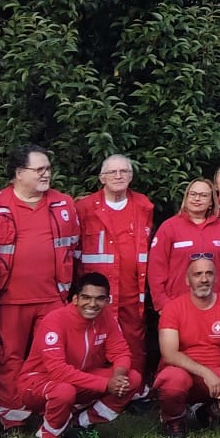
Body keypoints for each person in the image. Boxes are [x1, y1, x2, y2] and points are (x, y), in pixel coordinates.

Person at [0, 145, 79, 437]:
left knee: (53, 359)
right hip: (7, 299)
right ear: (18, 173)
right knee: (9, 360)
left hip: (53, 297)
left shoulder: (63, 203)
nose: (46, 174)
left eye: (48, 168)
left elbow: (73, 247)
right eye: (39, 169)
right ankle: (12, 419)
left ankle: (50, 413)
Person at [20, 272, 141, 438]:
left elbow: (121, 352)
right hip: (38, 382)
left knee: (132, 379)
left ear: (107, 301)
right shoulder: (55, 320)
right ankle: (49, 437)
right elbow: (58, 370)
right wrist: (105, 384)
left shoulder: (106, 317)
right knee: (64, 391)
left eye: (99, 299)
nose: (92, 304)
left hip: (79, 379)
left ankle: (82, 424)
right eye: (86, 297)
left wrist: (118, 376)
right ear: (75, 299)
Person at [154, 254, 220, 438]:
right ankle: (173, 420)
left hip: (217, 376)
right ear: (187, 280)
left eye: (209, 274)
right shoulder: (173, 307)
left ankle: (209, 412)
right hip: (184, 373)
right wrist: (205, 373)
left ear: (216, 278)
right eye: (197, 274)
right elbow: (169, 354)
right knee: (172, 380)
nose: (204, 279)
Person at [75, 155, 155, 375]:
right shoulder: (84, 208)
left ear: (131, 176)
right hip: (96, 290)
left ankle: (134, 384)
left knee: (133, 338)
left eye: (124, 172)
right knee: (93, 337)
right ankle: (94, 384)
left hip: (132, 288)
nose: (118, 176)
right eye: (112, 172)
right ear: (102, 178)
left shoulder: (143, 206)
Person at [149, 179, 220, 313]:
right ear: (186, 197)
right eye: (193, 194)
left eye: (203, 195)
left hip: (215, 304)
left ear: (211, 201)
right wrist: (162, 303)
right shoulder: (169, 227)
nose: (197, 199)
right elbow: (156, 268)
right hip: (177, 305)